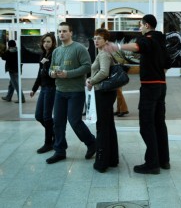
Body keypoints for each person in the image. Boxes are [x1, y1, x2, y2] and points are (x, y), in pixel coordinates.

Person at [104, 14, 171, 175]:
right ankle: (164, 160)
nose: (139, 28)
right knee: (159, 124)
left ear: (147, 25)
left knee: (146, 125)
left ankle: (152, 163)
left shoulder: (148, 38)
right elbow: (167, 64)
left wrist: (117, 47)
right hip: (161, 86)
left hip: (150, 87)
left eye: (140, 25)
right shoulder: (162, 42)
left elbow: (137, 47)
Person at [46, 22, 96, 164]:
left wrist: (68, 74)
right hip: (60, 91)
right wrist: (52, 73)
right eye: (59, 31)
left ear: (71, 33)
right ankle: (59, 150)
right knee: (58, 122)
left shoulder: (79, 48)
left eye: (64, 31)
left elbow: (87, 67)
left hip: (75, 91)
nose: (61, 33)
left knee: (74, 121)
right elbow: (52, 68)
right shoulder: (56, 51)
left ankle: (92, 143)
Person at [86, 29, 119, 173]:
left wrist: (91, 81)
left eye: (99, 38)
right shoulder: (104, 52)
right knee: (108, 126)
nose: (96, 40)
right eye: (94, 38)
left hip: (103, 93)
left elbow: (104, 72)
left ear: (106, 40)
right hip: (107, 93)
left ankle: (102, 162)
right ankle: (111, 158)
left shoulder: (104, 53)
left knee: (103, 127)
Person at [30, 33, 56, 154]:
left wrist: (45, 64)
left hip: (51, 88)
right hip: (44, 88)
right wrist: (34, 88)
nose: (46, 44)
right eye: (44, 41)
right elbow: (40, 73)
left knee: (46, 117)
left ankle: (48, 143)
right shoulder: (42, 54)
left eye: (48, 41)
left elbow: (51, 73)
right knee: (38, 116)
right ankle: (55, 134)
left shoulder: (54, 54)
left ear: (53, 43)